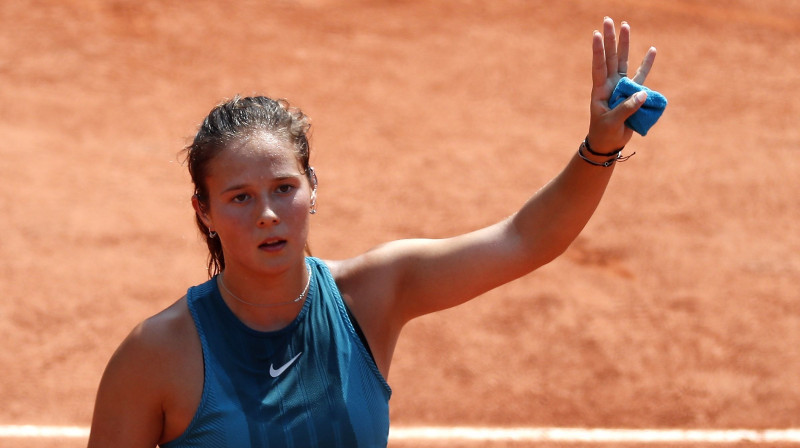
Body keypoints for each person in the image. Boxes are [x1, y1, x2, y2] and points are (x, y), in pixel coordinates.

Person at [88, 17, 658, 448]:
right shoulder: (156, 355)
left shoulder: (374, 294)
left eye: (284, 187)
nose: (267, 213)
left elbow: (525, 240)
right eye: (239, 198)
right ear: (204, 211)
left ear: (313, 187)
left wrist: (599, 148)